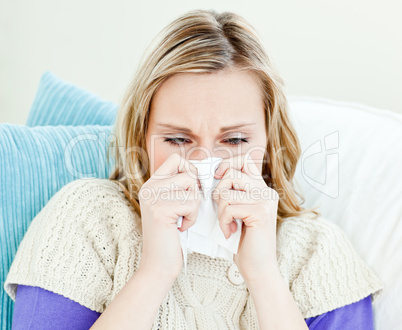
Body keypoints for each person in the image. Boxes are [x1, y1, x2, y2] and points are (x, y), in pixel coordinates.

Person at [4, 9, 383, 330]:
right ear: (144, 135)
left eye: (234, 141)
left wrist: (265, 277)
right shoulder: (88, 218)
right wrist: (155, 272)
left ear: (269, 142)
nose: (204, 164)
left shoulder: (316, 253)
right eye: (178, 140)